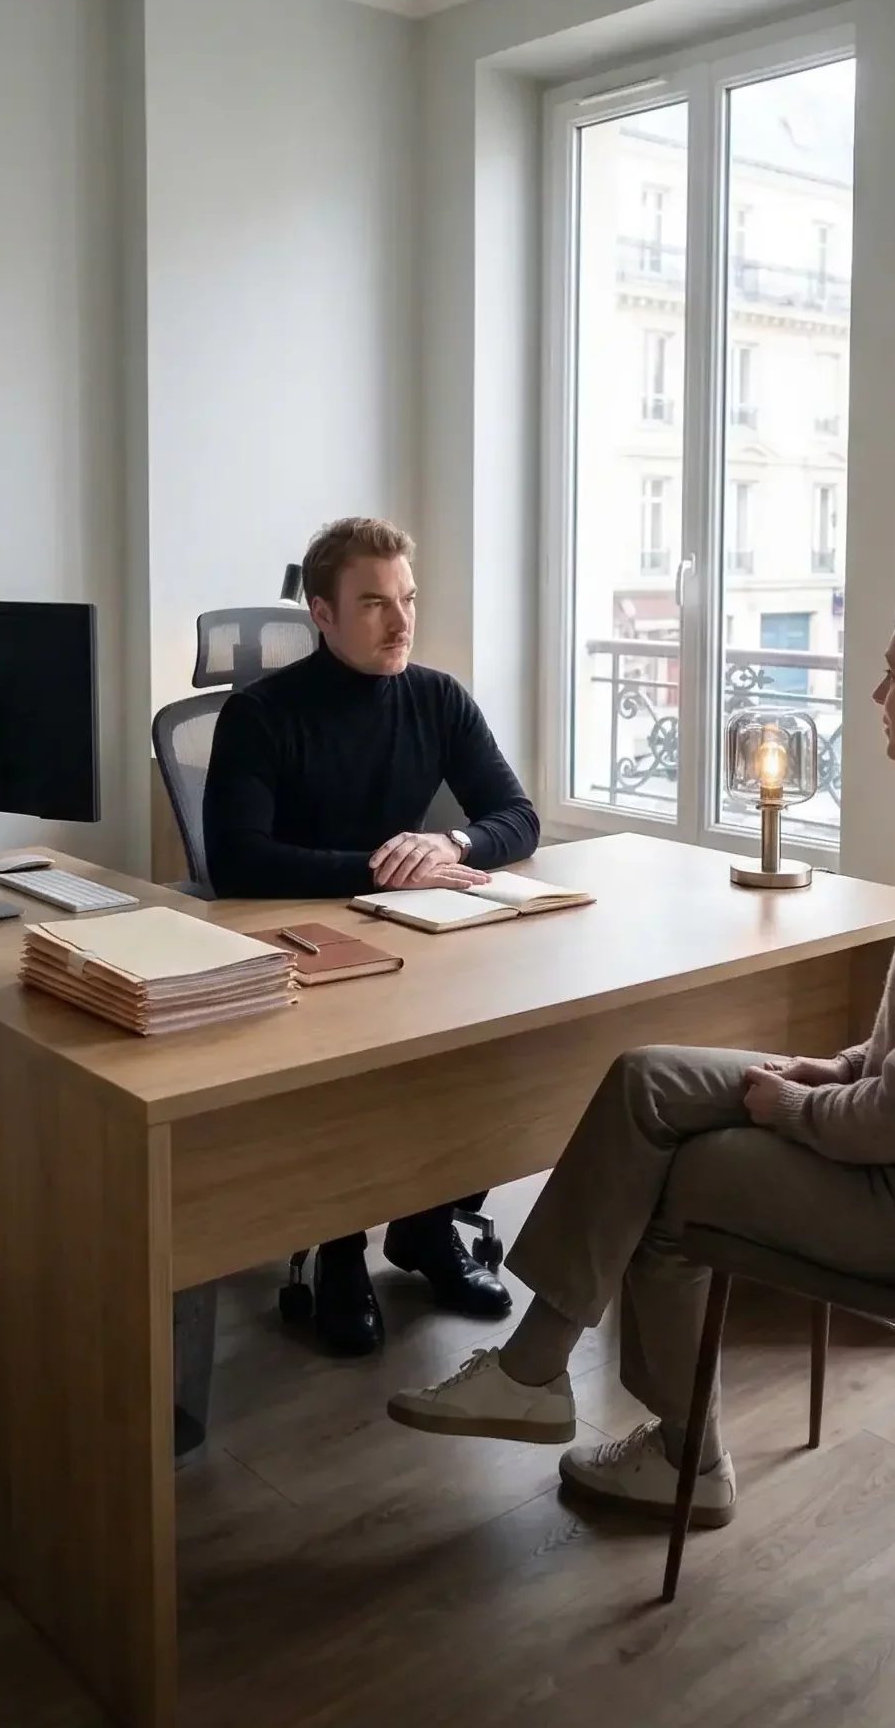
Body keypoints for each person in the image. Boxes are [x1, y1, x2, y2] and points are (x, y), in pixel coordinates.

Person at [386, 582, 895, 1528]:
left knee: (677, 1177)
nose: (874, 696)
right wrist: (827, 1072)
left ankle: (679, 1456)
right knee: (646, 1078)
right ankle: (533, 1372)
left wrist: (797, 1110)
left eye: (892, 676)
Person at [204, 514, 541, 1357]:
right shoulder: (258, 715)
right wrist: (382, 867)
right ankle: (340, 1251)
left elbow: (516, 817)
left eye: (407, 600)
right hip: (296, 941)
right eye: (372, 604)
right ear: (320, 614)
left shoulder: (436, 696)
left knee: (474, 1040)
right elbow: (237, 863)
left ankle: (425, 1230)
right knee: (348, 1073)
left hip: (412, 929)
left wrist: (451, 843)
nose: (399, 623)